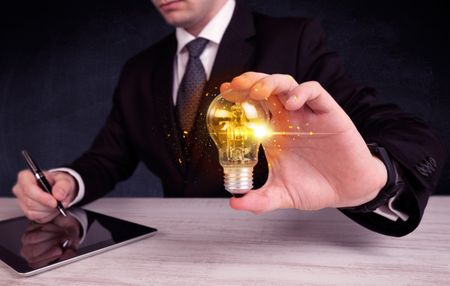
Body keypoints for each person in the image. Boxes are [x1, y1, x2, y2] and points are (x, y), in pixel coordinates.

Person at [12, 0, 445, 237]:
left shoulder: (292, 40)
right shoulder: (140, 70)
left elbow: (407, 133)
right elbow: (108, 158)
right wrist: (67, 181)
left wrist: (374, 180)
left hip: (275, 252)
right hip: (176, 250)